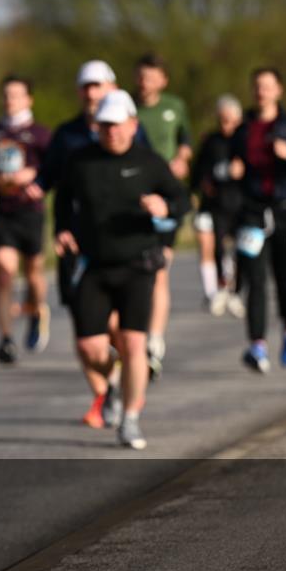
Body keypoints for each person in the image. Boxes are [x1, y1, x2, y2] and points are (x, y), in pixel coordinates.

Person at [54, 90, 189, 449]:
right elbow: (64, 201)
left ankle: (130, 419)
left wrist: (165, 207)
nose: (111, 131)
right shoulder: (81, 161)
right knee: (90, 347)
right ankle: (113, 386)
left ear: (132, 124)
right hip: (94, 264)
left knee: (132, 343)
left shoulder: (148, 162)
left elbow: (181, 199)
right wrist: (62, 229)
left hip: (137, 264)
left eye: (116, 124)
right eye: (104, 125)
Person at [38, 59, 150, 429]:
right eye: (86, 86)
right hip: (78, 247)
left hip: (123, 247)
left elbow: (150, 172)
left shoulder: (131, 130)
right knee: (86, 335)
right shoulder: (67, 135)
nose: (91, 93)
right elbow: (51, 182)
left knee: (121, 329)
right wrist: (38, 198)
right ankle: (108, 390)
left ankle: (123, 384)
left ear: (111, 88)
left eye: (97, 85)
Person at [231, 67, 286, 373]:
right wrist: (234, 170)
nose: (261, 92)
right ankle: (257, 345)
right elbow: (233, 167)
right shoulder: (243, 129)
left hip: (285, 210)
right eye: (257, 86)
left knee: (283, 278)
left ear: (279, 90)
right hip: (253, 212)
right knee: (255, 280)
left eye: (267, 86)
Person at [0, 74, 52, 363]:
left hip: (30, 212)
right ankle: (6, 339)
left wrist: (33, 176)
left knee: (33, 273)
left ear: (29, 100)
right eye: (6, 95)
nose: (10, 100)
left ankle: (37, 310)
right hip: (1, 212)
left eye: (16, 95)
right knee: (4, 271)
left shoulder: (41, 134)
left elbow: (54, 169)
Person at [134, 53, 192, 380]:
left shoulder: (175, 106)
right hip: (136, 193)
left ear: (163, 80)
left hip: (166, 194)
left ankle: (154, 340)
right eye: (141, 76)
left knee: (159, 269)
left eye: (151, 76)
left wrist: (182, 159)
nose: (145, 82)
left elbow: (186, 141)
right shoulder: (127, 108)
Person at [191, 95, 246, 318]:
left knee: (242, 251)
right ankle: (217, 290)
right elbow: (198, 172)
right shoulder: (211, 142)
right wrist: (206, 181)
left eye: (231, 121)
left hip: (243, 204)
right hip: (216, 205)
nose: (226, 126)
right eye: (223, 120)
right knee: (216, 247)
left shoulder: (246, 141)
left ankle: (236, 291)